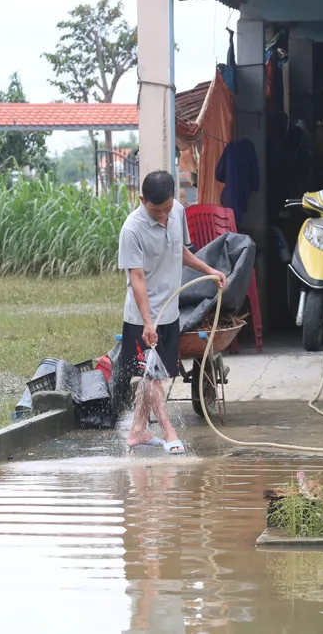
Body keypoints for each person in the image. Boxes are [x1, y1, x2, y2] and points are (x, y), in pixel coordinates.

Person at [117, 170, 227, 455]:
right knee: (151, 376)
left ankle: (137, 432)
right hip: (142, 318)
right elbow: (137, 278)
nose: (164, 216)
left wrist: (210, 271)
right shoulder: (132, 229)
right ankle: (169, 431)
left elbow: (182, 252)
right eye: (157, 212)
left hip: (170, 313)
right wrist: (146, 321)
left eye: (167, 209)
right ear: (142, 200)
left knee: (155, 375)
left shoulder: (177, 211)